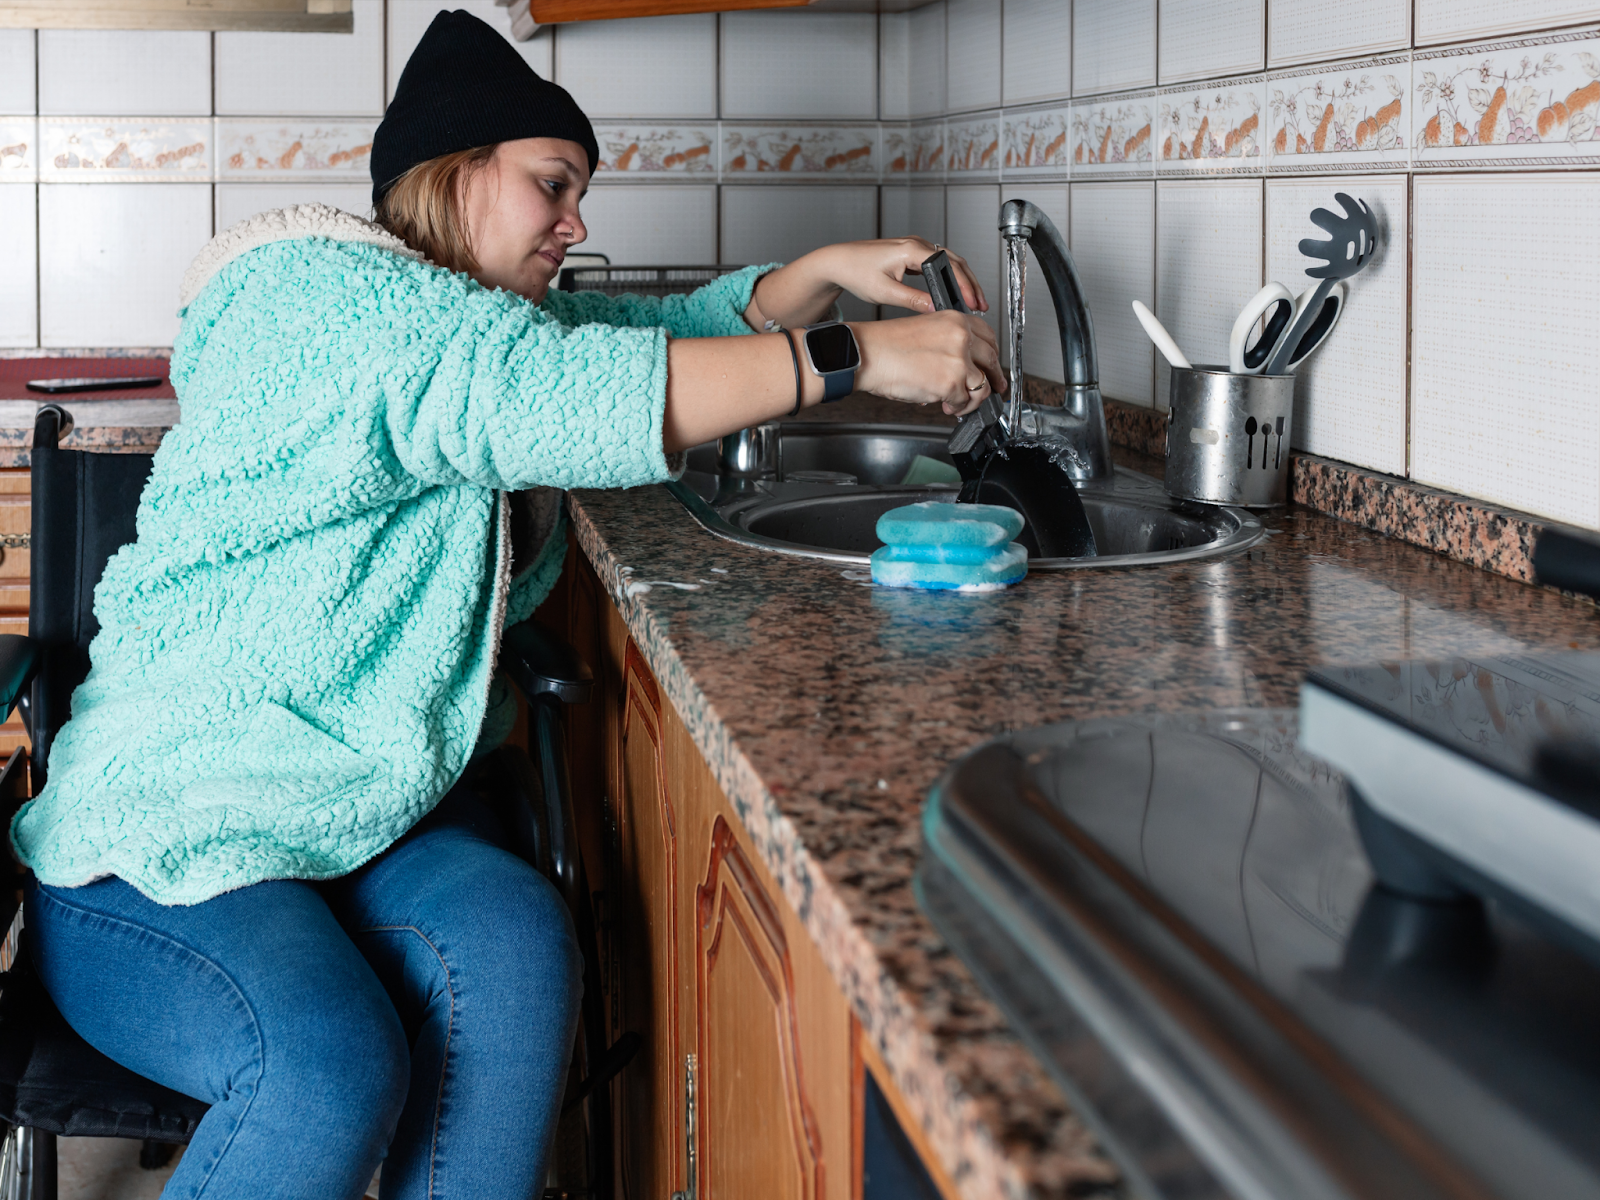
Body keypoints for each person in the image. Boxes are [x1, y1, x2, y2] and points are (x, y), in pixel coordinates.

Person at [10, 10, 1003, 1199]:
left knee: (515, 948)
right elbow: (542, 385)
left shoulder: (457, 318)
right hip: (174, 827)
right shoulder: (321, 302)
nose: (576, 223)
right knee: (322, 1062)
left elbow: (623, 335)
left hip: (358, 814)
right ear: (452, 174)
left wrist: (810, 280)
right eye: (553, 184)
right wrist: (851, 356)